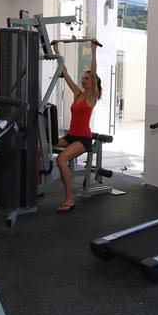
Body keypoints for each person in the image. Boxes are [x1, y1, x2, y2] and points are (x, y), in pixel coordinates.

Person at [50, 37, 102, 212]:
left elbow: (94, 73)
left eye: (86, 78)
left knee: (61, 159)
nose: (83, 80)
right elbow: (64, 72)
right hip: (70, 136)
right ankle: (39, 181)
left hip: (83, 139)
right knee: (42, 146)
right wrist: (56, 50)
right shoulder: (78, 94)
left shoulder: (92, 96)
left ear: (92, 81)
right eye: (83, 78)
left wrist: (93, 50)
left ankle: (69, 199)